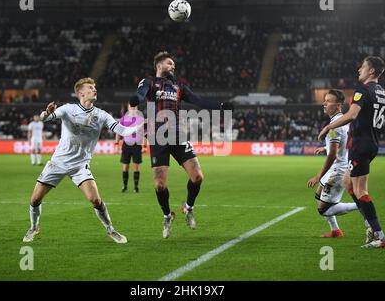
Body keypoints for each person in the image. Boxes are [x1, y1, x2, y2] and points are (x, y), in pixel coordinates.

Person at [22, 77, 143, 244]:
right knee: (35, 199)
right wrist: (47, 112)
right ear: (81, 93)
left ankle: (111, 229)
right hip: (58, 163)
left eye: (95, 87)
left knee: (95, 200)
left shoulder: (101, 115)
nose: (95, 89)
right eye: (91, 87)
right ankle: (34, 227)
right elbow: (45, 118)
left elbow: (122, 130)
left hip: (80, 166)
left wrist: (140, 126)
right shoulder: (68, 109)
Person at [137, 51, 233, 238]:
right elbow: (140, 94)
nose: (173, 66)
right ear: (159, 66)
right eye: (169, 63)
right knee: (159, 185)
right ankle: (167, 215)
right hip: (158, 138)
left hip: (178, 135)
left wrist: (220, 106)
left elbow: (198, 100)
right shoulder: (149, 82)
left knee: (197, 176)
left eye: (173, 64)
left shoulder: (179, 86)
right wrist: (137, 100)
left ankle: (188, 208)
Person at [318, 56, 385, 249]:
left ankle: (379, 236)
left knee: (360, 190)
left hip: (360, 144)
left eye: (363, 67)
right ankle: (369, 224)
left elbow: (352, 115)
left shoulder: (363, 90)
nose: (359, 69)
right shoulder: (381, 92)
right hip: (372, 142)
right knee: (348, 183)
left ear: (372, 71)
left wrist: (327, 127)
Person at [307, 90, 358, 238]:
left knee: (324, 209)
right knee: (319, 196)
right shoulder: (344, 120)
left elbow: (332, 155)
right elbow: (343, 143)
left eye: (328, 101)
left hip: (337, 170)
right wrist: (325, 147)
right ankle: (336, 230)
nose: (324, 103)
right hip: (340, 165)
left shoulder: (334, 126)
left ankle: (362, 206)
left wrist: (318, 176)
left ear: (337, 105)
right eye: (325, 100)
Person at [115, 96, 147, 193]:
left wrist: (144, 145)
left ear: (136, 107)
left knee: (136, 167)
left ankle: (136, 187)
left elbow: (144, 133)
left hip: (137, 145)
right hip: (126, 145)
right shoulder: (124, 119)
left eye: (134, 107)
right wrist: (117, 144)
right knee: (125, 166)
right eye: (131, 107)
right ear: (128, 108)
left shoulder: (140, 119)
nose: (132, 109)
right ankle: (124, 186)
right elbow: (118, 132)